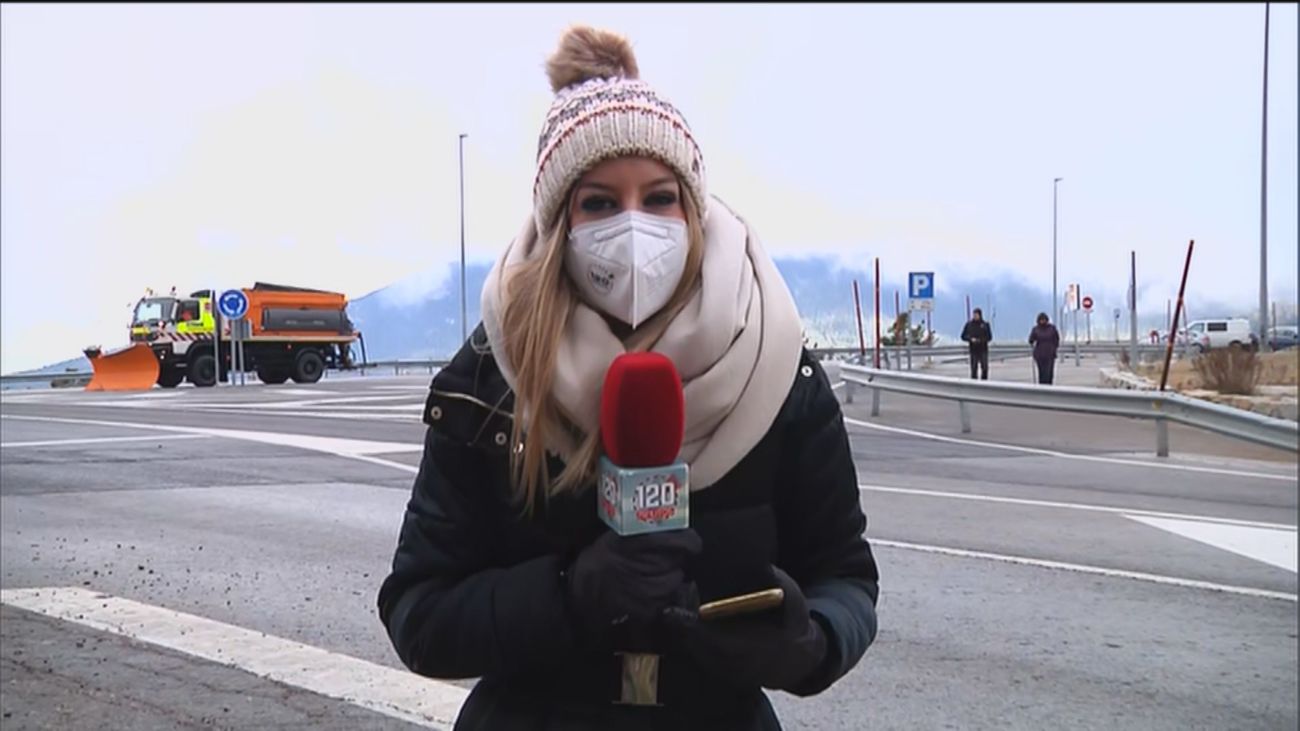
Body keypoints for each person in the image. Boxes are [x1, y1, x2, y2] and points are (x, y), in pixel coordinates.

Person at [377, 25, 879, 731]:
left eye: (660, 196)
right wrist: (569, 592)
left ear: (694, 210)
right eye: (601, 202)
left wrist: (809, 640)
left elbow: (847, 578)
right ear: (560, 224)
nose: (635, 226)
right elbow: (418, 611)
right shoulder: (491, 377)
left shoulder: (778, 371)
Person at [960, 307, 993, 380]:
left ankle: (984, 381)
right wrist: (971, 339)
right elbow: (963, 336)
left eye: (976, 315)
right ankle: (974, 383)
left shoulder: (985, 324)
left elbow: (989, 337)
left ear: (980, 315)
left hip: (983, 349)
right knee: (974, 367)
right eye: (974, 315)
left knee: (984, 367)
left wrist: (980, 340)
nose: (975, 316)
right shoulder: (969, 325)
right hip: (973, 350)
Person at [1029, 312, 1061, 385]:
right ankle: (1042, 387)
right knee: (1042, 372)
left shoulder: (1052, 328)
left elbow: (1056, 339)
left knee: (1049, 372)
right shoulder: (1036, 329)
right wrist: (1032, 341)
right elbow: (1031, 339)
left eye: (1044, 319)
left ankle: (1049, 386)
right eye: (1041, 320)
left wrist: (1054, 348)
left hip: (1050, 354)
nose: (1042, 321)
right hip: (1039, 355)